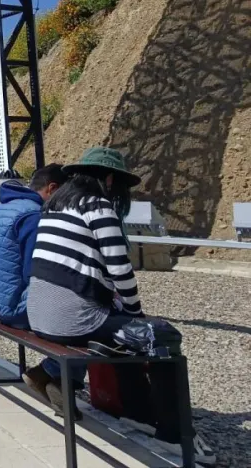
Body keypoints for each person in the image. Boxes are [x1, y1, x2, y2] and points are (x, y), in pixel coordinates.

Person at [27, 147, 215, 464]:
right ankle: (173, 433)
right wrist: (137, 315)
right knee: (160, 337)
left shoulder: (55, 206)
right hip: (72, 320)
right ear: (110, 179)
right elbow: (121, 271)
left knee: (122, 328)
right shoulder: (98, 207)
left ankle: (138, 413)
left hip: (40, 316)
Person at [0, 164, 77, 415]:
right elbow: (34, 270)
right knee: (83, 314)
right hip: (15, 307)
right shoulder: (33, 215)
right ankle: (52, 374)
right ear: (52, 189)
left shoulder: (3, 208)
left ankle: (58, 378)